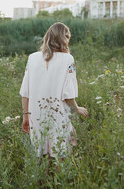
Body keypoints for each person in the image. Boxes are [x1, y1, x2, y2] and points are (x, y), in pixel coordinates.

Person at [20, 22, 88, 160]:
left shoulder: (32, 58)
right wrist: (77, 109)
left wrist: (25, 116)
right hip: (58, 113)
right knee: (60, 154)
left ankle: (42, 181)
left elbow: (25, 91)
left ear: (47, 37)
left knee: (40, 154)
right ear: (64, 38)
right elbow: (68, 94)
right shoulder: (68, 59)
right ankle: (58, 181)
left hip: (36, 114)